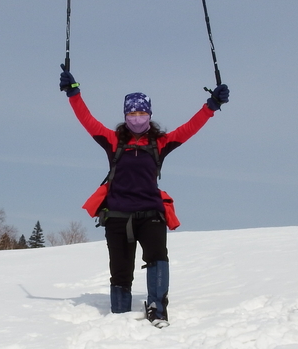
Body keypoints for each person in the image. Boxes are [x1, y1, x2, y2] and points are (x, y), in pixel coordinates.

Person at [60, 64, 229, 324]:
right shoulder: (113, 141)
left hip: (151, 214)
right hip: (117, 216)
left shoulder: (159, 143)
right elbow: (87, 119)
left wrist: (212, 105)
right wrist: (73, 93)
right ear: (125, 115)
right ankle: (120, 317)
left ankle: (157, 309)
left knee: (157, 257)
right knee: (120, 270)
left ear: (149, 114)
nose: (136, 117)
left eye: (141, 112)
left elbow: (190, 128)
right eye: (132, 112)